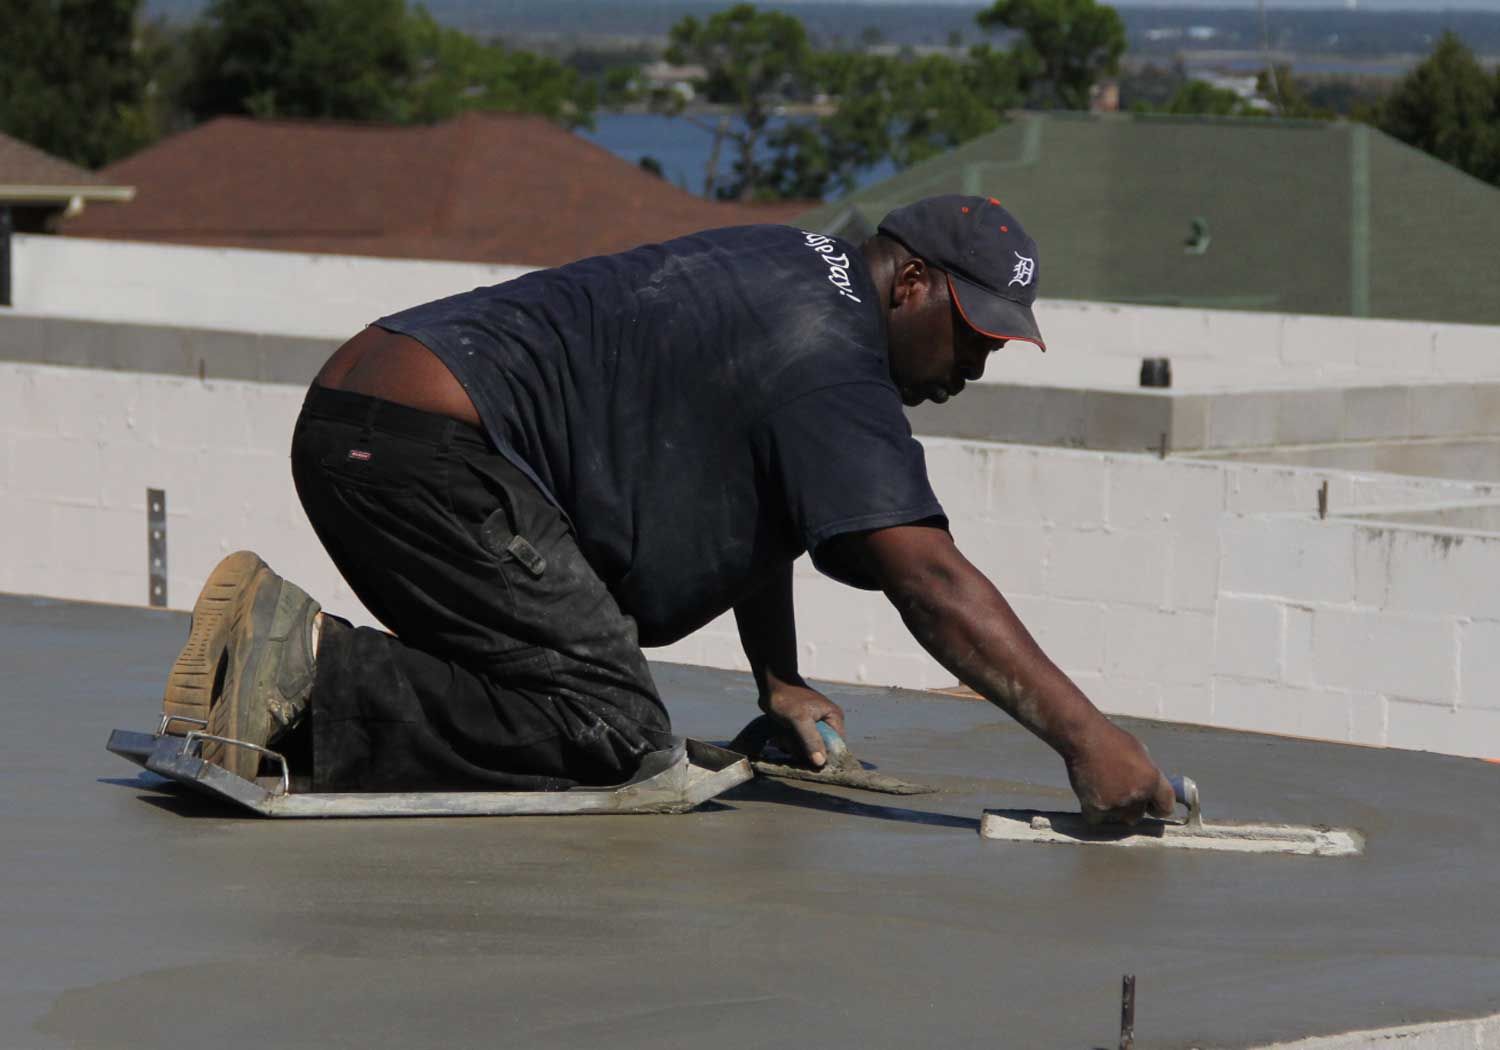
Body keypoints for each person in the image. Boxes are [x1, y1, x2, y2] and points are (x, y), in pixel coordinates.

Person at [162, 194, 1175, 823]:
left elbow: (764, 497)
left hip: (380, 416)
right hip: (422, 447)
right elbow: (929, 577)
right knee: (608, 728)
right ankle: (303, 676)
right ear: (911, 281)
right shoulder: (832, 357)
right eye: (969, 339)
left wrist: (777, 680)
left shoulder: (799, 279)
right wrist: (1086, 739)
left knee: (559, 680)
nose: (969, 370)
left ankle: (280, 683)